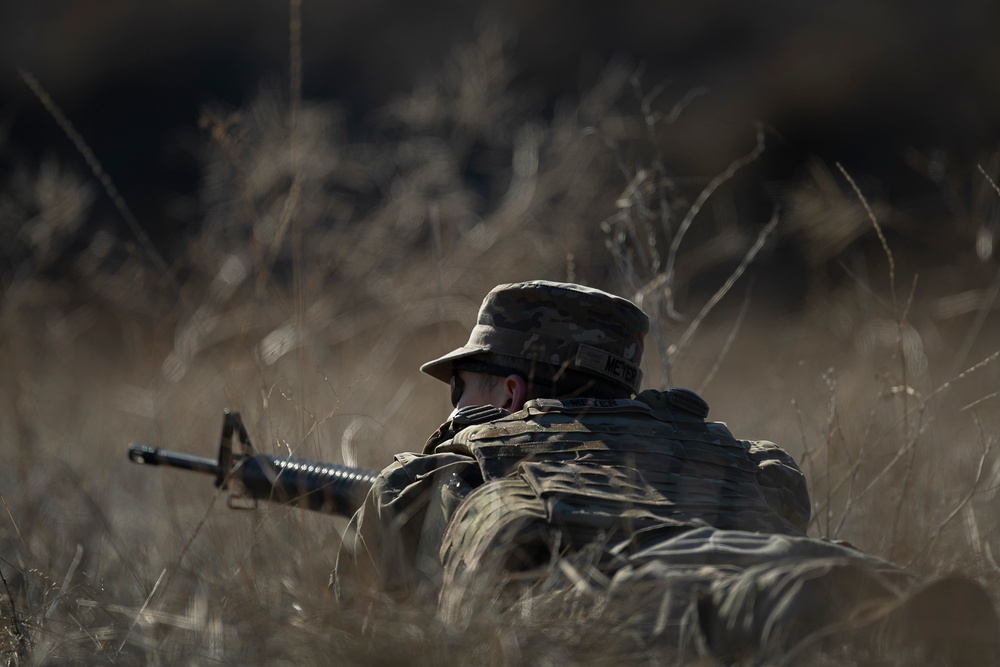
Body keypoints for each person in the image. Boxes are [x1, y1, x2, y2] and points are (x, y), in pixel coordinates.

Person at [334, 280, 998, 664]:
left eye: (462, 388)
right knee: (807, 587)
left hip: (628, 591)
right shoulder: (724, 449)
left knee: (727, 617)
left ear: (508, 393)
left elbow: (365, 630)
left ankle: (867, 626)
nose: (454, 406)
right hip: (793, 555)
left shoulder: (445, 468)